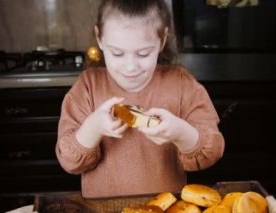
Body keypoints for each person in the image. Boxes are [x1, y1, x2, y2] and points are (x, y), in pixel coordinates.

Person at [56, 0, 225, 199]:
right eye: (117, 53)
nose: (130, 67)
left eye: (143, 53)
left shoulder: (182, 85)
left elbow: (212, 150)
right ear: (99, 38)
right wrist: (93, 128)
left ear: (162, 40)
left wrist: (180, 132)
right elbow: (69, 162)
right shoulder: (87, 87)